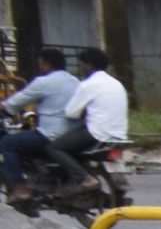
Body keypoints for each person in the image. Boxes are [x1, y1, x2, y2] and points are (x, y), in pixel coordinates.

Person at [1, 48, 78, 207]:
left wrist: (5, 108)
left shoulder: (43, 82)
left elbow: (14, 103)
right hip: (74, 134)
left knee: (8, 143)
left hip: (51, 134)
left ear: (46, 63)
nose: (40, 66)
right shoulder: (75, 81)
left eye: (41, 63)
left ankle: (20, 188)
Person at [45, 48, 128, 192]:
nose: (82, 68)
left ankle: (84, 178)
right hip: (118, 135)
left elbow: (71, 113)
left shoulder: (88, 84)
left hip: (97, 133)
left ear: (89, 65)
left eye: (82, 64)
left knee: (54, 147)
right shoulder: (116, 83)